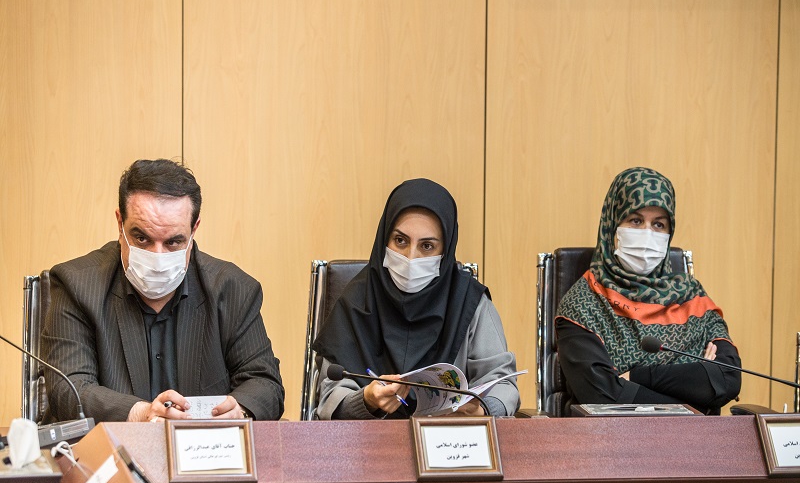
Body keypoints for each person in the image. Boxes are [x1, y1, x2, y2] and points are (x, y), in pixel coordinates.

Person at [42, 159, 284, 423]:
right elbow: (68, 390)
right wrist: (141, 413)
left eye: (173, 242)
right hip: (112, 447)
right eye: (142, 238)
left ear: (194, 229)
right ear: (120, 224)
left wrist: (240, 410)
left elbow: (265, 383)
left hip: (203, 447)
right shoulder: (77, 285)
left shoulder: (233, 289)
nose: (157, 256)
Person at [313, 178, 520, 419]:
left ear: (445, 251)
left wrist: (483, 408)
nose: (411, 257)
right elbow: (329, 397)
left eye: (427, 246)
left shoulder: (469, 303)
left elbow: (503, 384)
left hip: (450, 440)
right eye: (400, 241)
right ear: (384, 239)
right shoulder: (355, 301)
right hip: (369, 439)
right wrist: (366, 401)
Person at [555, 167, 741, 414]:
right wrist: (696, 396)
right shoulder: (583, 303)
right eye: (635, 220)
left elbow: (728, 378)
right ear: (612, 225)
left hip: (697, 438)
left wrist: (637, 376)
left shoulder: (692, 297)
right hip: (614, 437)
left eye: (659, 224)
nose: (647, 233)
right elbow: (602, 397)